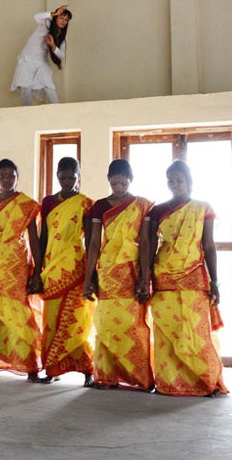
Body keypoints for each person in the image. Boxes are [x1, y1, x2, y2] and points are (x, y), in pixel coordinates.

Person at [144, 160, 228, 396]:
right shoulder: (158, 210)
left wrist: (215, 282)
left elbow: (209, 246)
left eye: (179, 180)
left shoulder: (203, 208)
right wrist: (146, 276)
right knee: (168, 332)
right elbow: (150, 246)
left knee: (194, 331)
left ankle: (205, 381)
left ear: (189, 182)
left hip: (193, 275)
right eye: (170, 180)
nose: (174, 184)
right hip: (164, 275)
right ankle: (169, 382)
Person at [84, 159, 154, 391]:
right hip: (107, 271)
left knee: (132, 324)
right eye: (115, 183)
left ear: (130, 180)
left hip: (130, 269)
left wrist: (145, 277)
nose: (119, 188)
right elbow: (94, 242)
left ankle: (141, 378)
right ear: (108, 181)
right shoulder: (100, 206)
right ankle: (106, 375)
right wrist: (88, 276)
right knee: (105, 323)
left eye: (123, 183)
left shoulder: (142, 205)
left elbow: (144, 242)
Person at [0, 159, 43, 381]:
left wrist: (37, 271)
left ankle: (31, 366)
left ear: (17, 177)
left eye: (11, 175)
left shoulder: (27, 205)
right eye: (2, 176)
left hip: (15, 266)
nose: (6, 180)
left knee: (19, 314)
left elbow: (34, 239)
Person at [29, 157, 95, 385]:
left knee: (78, 320)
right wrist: (38, 270)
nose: (67, 181)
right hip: (52, 266)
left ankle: (88, 370)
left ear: (79, 175)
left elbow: (91, 239)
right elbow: (43, 236)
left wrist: (91, 273)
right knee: (52, 320)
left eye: (72, 177)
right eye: (62, 177)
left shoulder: (86, 203)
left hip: (76, 266)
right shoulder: (47, 202)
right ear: (57, 175)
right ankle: (53, 370)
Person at [10, 5, 72, 106]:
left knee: (48, 84)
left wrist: (53, 45)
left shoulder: (61, 38)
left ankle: (58, 109)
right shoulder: (46, 23)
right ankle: (27, 113)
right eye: (61, 17)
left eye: (66, 20)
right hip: (27, 59)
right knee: (26, 88)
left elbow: (61, 55)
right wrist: (53, 13)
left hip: (41, 62)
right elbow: (36, 16)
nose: (64, 21)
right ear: (56, 17)